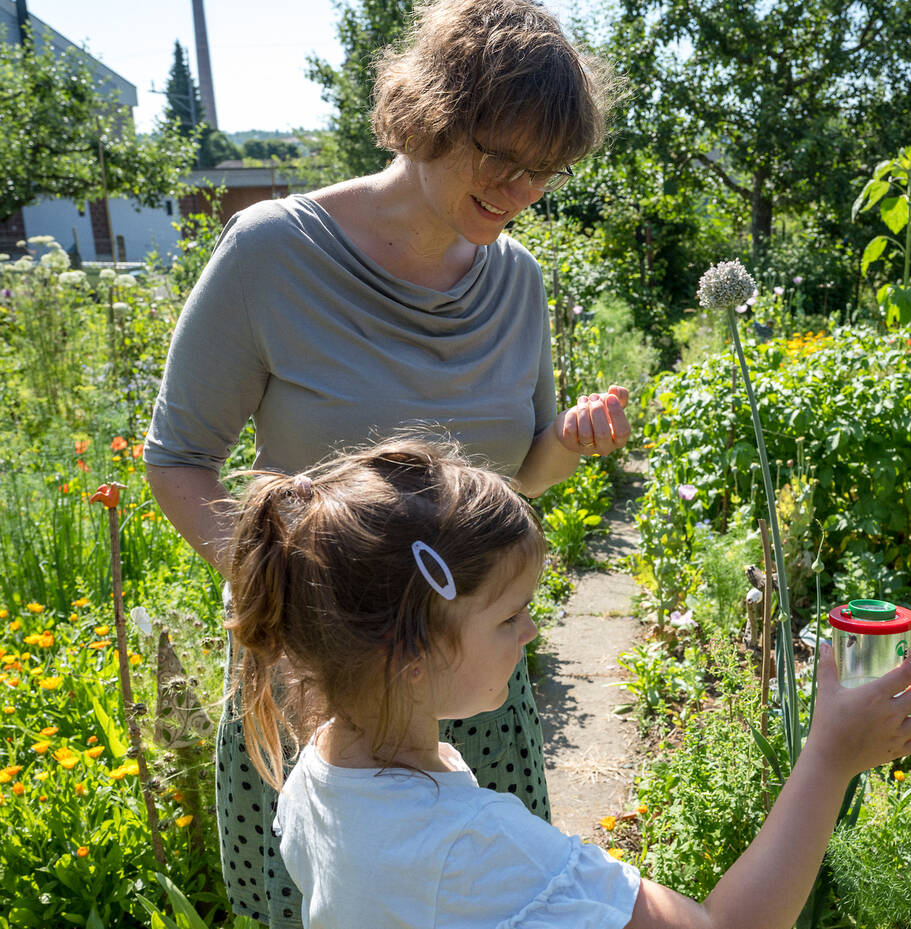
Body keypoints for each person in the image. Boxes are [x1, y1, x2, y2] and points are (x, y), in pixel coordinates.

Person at [142, 0, 625, 923]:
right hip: (324, 685)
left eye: (544, 173)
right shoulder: (273, 254)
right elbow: (178, 460)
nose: (519, 189)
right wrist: (304, 604)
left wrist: (566, 442)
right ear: (431, 112)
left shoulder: (516, 279)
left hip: (473, 689)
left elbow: (514, 474)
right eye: (499, 155)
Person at [226, 439, 911, 929]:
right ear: (411, 653)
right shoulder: (472, 847)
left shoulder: (316, 772)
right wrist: (829, 757)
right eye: (509, 616)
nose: (531, 633)